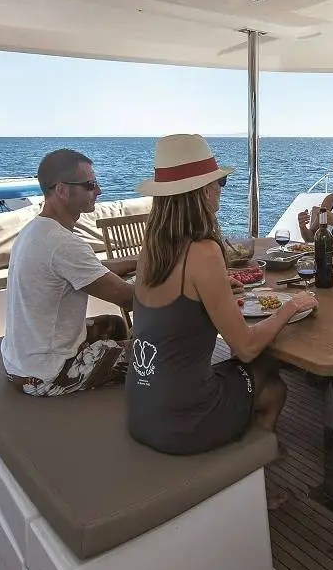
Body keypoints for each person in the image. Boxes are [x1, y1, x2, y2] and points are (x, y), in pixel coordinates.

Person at [127, 134, 317, 455]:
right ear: (203, 191)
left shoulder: (152, 247)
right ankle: (255, 467)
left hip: (143, 407)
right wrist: (291, 307)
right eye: (220, 183)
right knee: (273, 387)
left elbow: (176, 298)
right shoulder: (204, 253)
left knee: (256, 369)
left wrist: (216, 288)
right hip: (182, 421)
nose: (220, 190)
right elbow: (245, 347)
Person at [1, 149, 137, 396]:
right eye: (90, 184)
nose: (99, 190)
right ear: (62, 190)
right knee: (157, 352)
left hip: (20, 362)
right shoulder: (62, 243)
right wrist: (191, 286)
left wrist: (138, 261)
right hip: (47, 374)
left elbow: (94, 270)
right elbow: (130, 298)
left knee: (115, 325)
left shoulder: (37, 230)